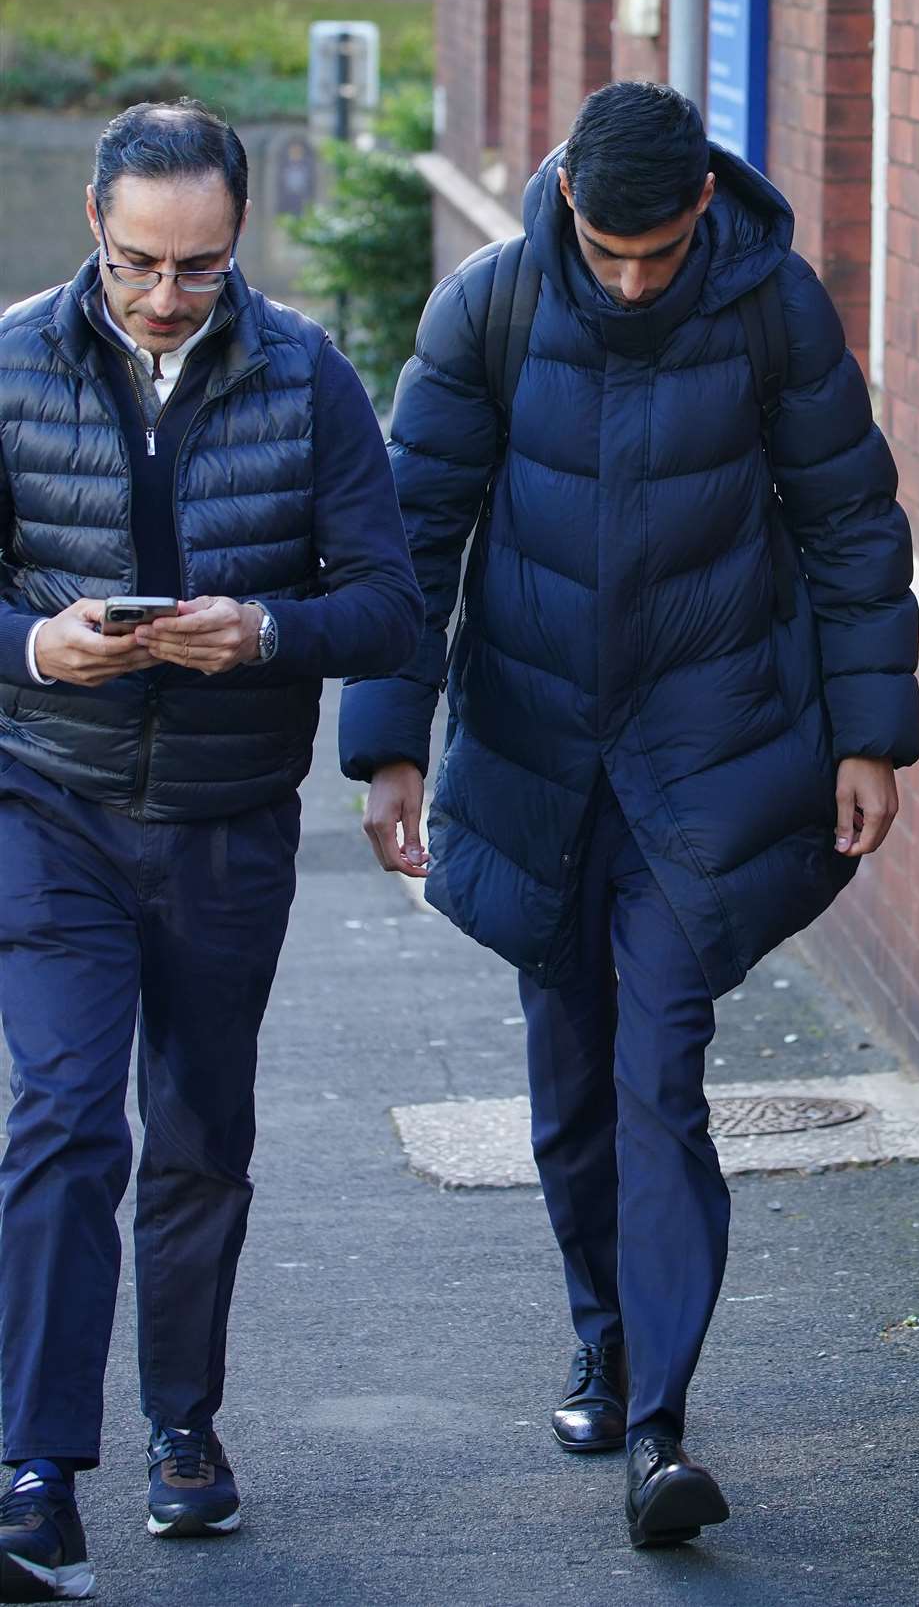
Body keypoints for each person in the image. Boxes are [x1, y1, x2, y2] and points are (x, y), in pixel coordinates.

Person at [342, 81, 919, 1552]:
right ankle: (600, 1337)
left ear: (704, 211)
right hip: (539, 756)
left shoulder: (772, 309)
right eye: (611, 251)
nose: (635, 278)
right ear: (571, 212)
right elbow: (412, 529)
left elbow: (850, 518)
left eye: (660, 252)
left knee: (663, 1061)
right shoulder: (491, 306)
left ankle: (659, 1421)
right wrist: (387, 745)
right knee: (572, 1083)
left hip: (708, 753)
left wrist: (871, 732)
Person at [0, 99, 422, 1601]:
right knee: (59, 1121)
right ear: (93, 234)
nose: (168, 295)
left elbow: (387, 603)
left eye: (200, 267)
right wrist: (38, 646)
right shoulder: (9, 363)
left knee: (196, 1140)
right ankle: (34, 1469)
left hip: (232, 825)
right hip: (48, 806)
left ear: (240, 244)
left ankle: (185, 1429)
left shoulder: (307, 375)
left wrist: (264, 634)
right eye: (139, 264)